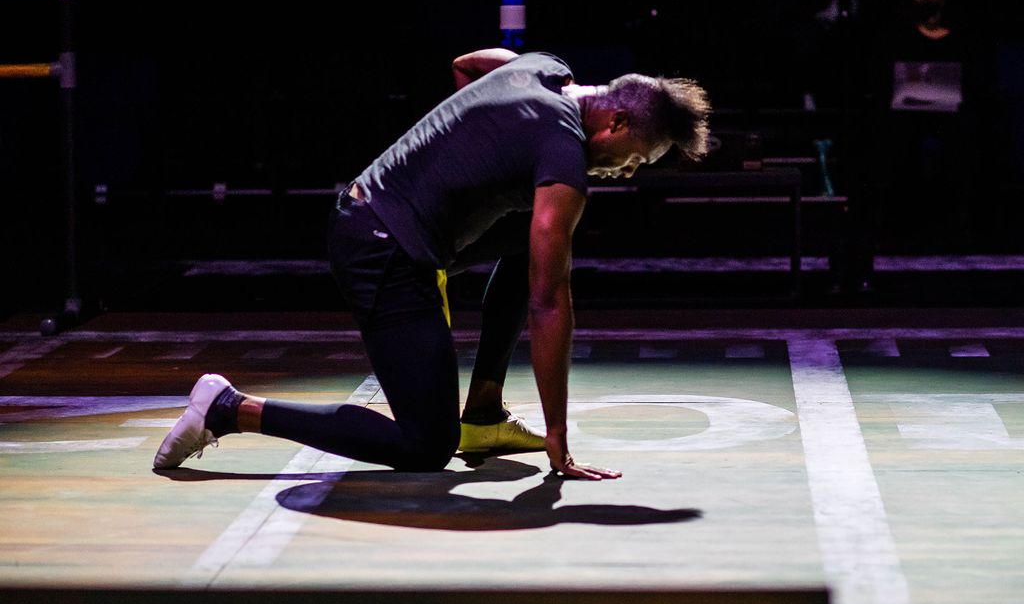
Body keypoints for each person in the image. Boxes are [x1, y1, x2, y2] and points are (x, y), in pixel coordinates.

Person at [154, 49, 709, 480]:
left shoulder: (546, 68)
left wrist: (469, 156)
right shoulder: (563, 154)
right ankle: (228, 408)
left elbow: (467, 65)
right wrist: (558, 436)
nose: (627, 170)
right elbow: (547, 301)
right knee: (426, 445)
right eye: (635, 156)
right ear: (613, 122)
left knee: (535, 239)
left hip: (374, 214)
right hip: (379, 248)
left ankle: (485, 412)